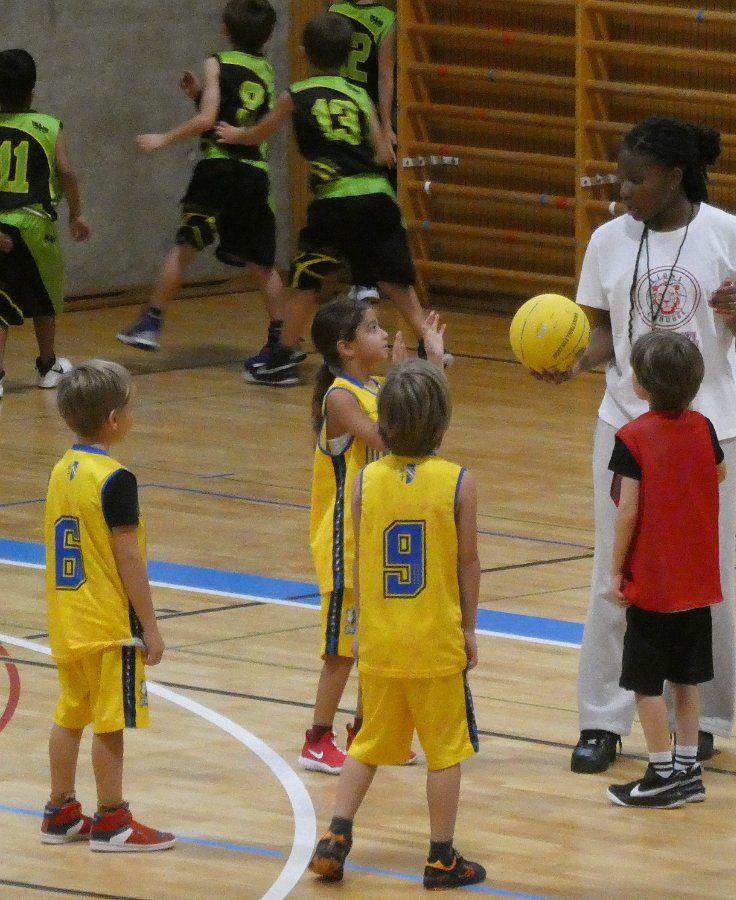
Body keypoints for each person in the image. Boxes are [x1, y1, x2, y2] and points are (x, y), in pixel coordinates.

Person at [539, 114, 736, 774]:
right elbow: (602, 335)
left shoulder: (731, 235)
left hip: (706, 432)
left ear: (675, 177)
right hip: (625, 428)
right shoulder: (607, 241)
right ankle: (602, 719)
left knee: (704, 577)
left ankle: (702, 718)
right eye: (621, 179)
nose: (624, 192)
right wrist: (574, 363)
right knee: (615, 572)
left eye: (637, 180)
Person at [308, 357, 485, 889]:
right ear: (443, 419)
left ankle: (336, 834)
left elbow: (363, 560)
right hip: (435, 643)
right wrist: (469, 630)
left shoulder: (364, 482)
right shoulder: (459, 482)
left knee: (366, 745)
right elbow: (468, 564)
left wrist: (363, 628)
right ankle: (441, 857)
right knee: (444, 754)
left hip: (380, 641)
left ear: (382, 422)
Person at [216, 12, 437, 388]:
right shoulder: (359, 94)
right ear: (349, 55)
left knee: (306, 281)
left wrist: (237, 135)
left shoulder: (296, 94)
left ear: (303, 52)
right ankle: (432, 346)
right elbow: (382, 150)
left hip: (335, 201)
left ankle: (282, 358)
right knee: (396, 280)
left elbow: (259, 133)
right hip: (378, 196)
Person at [301, 295, 441, 773]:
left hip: (376, 540)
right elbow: (395, 439)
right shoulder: (340, 397)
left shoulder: (378, 388)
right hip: (345, 542)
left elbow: (415, 431)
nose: (384, 334)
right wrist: (419, 374)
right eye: (373, 328)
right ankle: (317, 739)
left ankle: (366, 732)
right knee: (341, 650)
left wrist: (418, 370)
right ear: (346, 347)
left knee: (375, 644)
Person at [41, 360, 174, 852]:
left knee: (69, 715)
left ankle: (59, 812)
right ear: (114, 419)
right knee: (109, 722)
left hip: (66, 617)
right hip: (106, 623)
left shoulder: (61, 470)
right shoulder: (116, 479)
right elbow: (128, 558)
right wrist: (151, 626)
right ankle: (113, 819)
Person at [117, 0, 285, 373]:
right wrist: (198, 95)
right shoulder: (267, 70)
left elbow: (209, 120)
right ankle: (281, 339)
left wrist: (164, 138)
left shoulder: (216, 62)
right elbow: (242, 114)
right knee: (262, 263)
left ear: (225, 29)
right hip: (254, 173)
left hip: (218, 169)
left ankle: (151, 323)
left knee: (185, 247)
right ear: (268, 35)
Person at [604, 331, 725, 809]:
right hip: (698, 580)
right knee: (687, 679)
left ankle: (660, 774)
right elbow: (718, 474)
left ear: (642, 384)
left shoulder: (632, 438)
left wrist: (616, 570)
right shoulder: (705, 429)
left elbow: (628, 510)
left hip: (655, 582)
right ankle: (689, 770)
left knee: (644, 683)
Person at [0, 48, 88, 400]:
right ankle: (48, 366)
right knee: (44, 297)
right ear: (32, 92)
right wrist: (76, 213)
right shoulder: (48, 126)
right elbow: (66, 171)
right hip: (36, 225)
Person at [328, 0, 398, 303]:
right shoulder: (386, 19)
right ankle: (366, 278)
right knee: (363, 202)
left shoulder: (335, 10)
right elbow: (385, 76)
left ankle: (365, 278)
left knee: (349, 200)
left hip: (337, 114)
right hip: (366, 118)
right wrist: (386, 125)